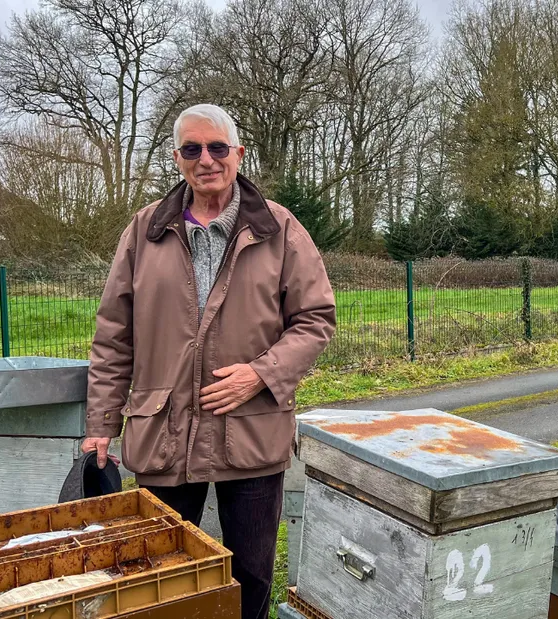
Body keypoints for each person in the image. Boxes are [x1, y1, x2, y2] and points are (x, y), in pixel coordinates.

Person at [81, 103, 336, 619]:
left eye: (218, 147)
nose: (207, 159)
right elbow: (113, 337)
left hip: (252, 429)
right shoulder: (144, 230)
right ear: (177, 158)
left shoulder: (279, 229)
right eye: (193, 149)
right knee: (159, 579)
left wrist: (260, 374)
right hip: (163, 433)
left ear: (238, 154)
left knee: (251, 577)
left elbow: (315, 319)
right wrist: (100, 424)